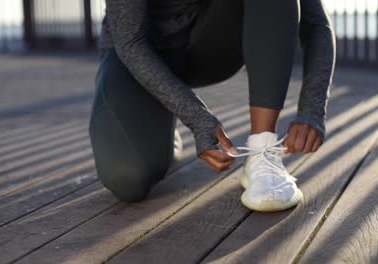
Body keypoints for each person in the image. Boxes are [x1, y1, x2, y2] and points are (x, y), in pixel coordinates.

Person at [88, 0, 335, 212]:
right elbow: (131, 42)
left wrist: (312, 110)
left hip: (212, 43)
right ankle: (161, 133)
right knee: (127, 177)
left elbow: (317, 24)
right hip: (139, 48)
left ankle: (263, 150)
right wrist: (196, 116)